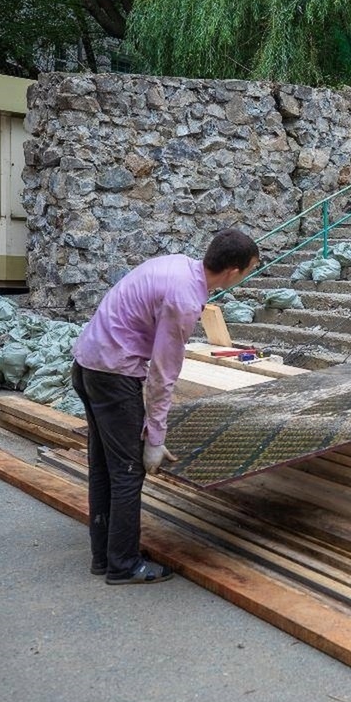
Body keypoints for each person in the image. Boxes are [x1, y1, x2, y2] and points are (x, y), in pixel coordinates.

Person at [71, 228, 259, 585]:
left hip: (88, 364)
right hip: (113, 375)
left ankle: (104, 556)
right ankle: (123, 565)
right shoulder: (185, 299)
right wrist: (154, 439)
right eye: (248, 270)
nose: (246, 277)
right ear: (233, 271)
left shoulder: (178, 265)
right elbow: (162, 374)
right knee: (128, 472)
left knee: (105, 466)